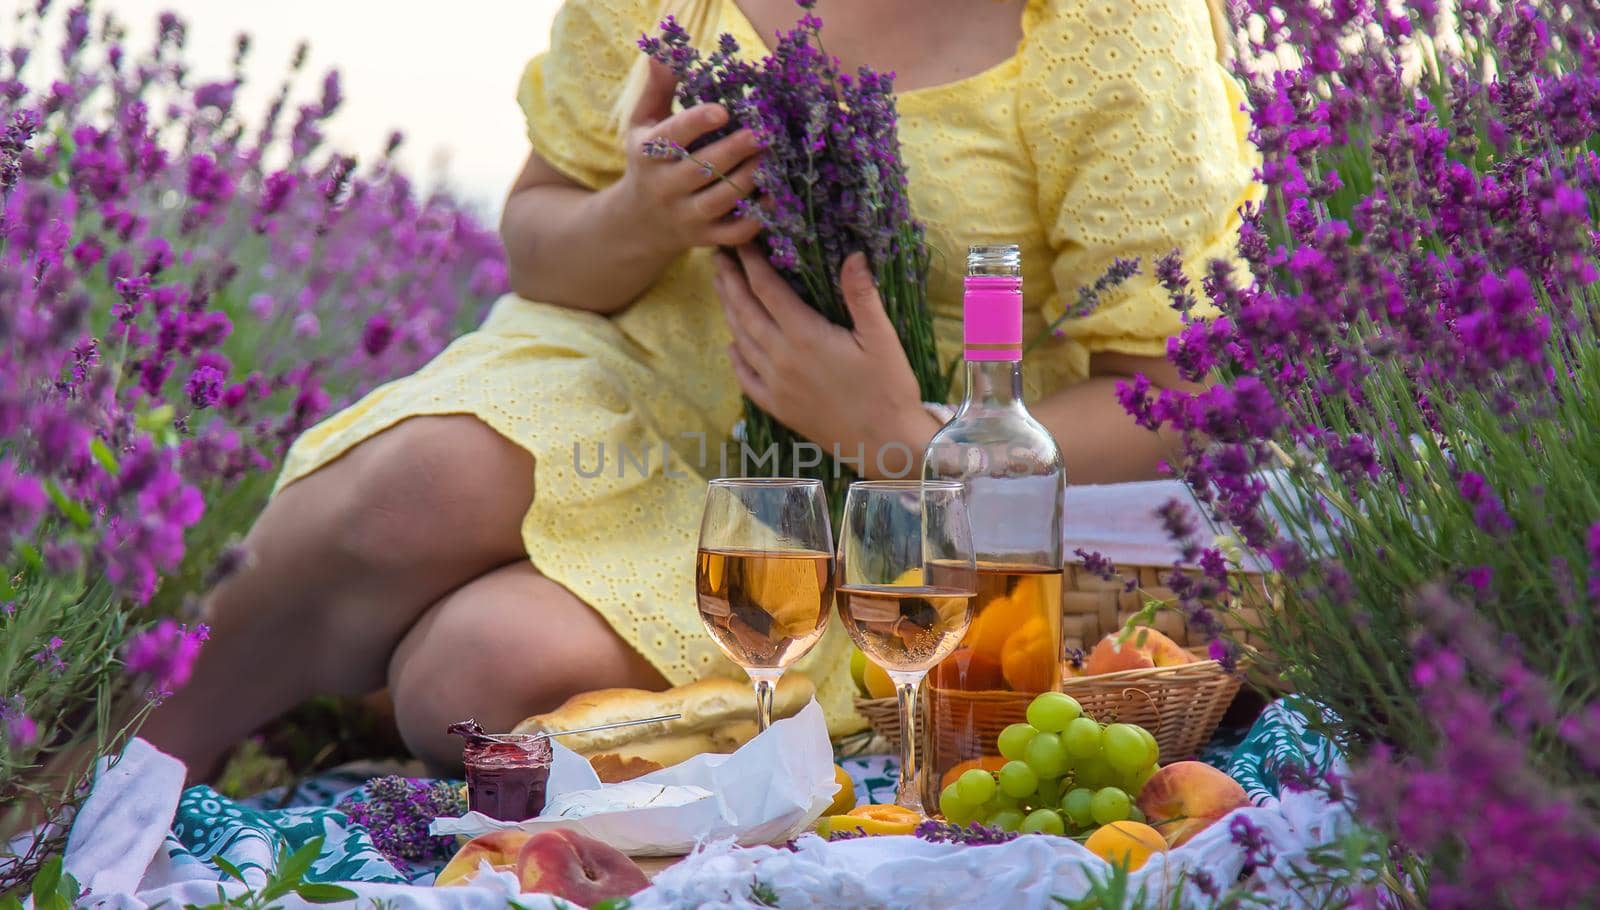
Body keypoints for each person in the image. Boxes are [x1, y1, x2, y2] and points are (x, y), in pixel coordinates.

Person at [143, 0, 1257, 775]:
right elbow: (540, 246)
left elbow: (1184, 393)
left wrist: (907, 436)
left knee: (471, 677)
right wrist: (636, 216)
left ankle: (352, 687)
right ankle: (103, 773)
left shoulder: (1106, 24)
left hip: (892, 515)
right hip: (629, 387)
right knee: (418, 484)